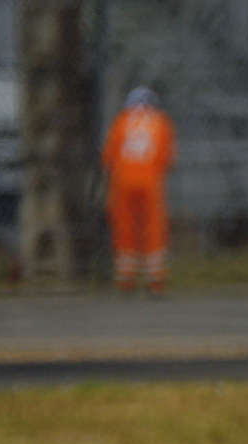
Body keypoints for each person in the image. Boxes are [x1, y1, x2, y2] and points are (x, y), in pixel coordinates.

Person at [101, 87, 177, 295]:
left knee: (125, 229)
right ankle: (156, 280)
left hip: (123, 182)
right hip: (150, 182)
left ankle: (126, 279)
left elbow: (108, 157)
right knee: (152, 229)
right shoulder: (161, 122)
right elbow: (167, 159)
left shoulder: (121, 122)